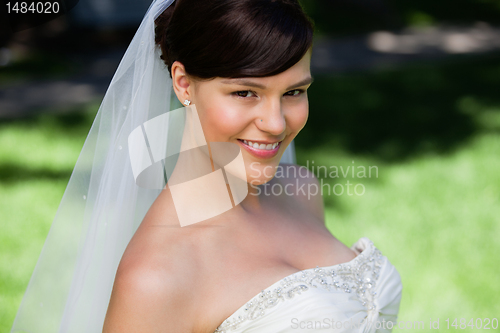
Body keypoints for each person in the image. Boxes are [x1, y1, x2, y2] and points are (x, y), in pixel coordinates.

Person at [11, 0, 402, 332]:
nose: (277, 123)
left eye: (294, 92)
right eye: (246, 92)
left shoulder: (300, 189)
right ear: (183, 84)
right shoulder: (156, 278)